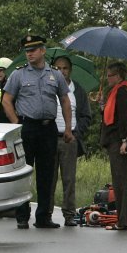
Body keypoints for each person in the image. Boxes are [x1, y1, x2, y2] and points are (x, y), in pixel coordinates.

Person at [1, 35, 75, 230]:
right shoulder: (19, 74)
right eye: (27, 51)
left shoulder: (55, 75)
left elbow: (65, 100)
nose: (29, 53)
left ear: (43, 51)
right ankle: (22, 215)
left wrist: (67, 128)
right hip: (28, 127)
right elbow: (6, 100)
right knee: (24, 173)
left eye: (33, 50)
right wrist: (17, 122)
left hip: (48, 128)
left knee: (46, 174)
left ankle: (43, 216)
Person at [45, 55, 92, 226]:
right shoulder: (48, 88)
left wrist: (76, 133)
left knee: (69, 179)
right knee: (48, 178)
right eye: (58, 68)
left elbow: (87, 116)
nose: (62, 71)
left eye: (65, 68)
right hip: (50, 138)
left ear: (70, 70)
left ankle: (69, 215)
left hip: (69, 139)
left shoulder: (77, 90)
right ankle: (46, 213)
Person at [98, 62, 127, 231]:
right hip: (120, 140)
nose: (107, 79)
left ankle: (125, 221)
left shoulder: (123, 91)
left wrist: (124, 141)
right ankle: (125, 220)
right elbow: (112, 115)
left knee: (122, 182)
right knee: (124, 180)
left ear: (118, 75)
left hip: (119, 141)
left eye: (110, 75)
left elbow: (125, 119)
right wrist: (102, 105)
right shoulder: (122, 90)